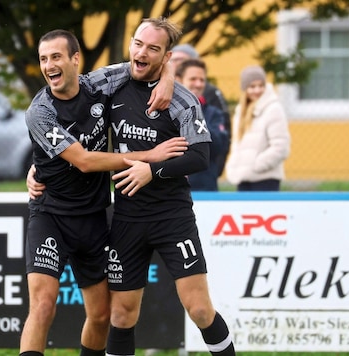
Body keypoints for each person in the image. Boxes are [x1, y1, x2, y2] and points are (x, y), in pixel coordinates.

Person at [20, 29, 187, 356]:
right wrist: (150, 156)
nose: (49, 65)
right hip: (50, 216)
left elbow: (145, 61)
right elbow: (82, 160)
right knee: (42, 306)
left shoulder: (100, 83)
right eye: (43, 59)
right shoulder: (39, 111)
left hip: (93, 218)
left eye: (56, 57)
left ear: (75, 59)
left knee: (100, 316)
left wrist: (168, 76)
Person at [104, 17, 236, 355]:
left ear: (166, 56)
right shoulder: (110, 83)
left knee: (201, 309)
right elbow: (66, 101)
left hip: (171, 216)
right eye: (138, 43)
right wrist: (38, 167)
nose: (142, 52)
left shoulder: (182, 99)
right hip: (128, 218)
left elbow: (200, 156)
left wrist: (153, 170)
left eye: (153, 48)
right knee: (121, 314)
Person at [225, 65, 290, 191]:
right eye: (252, 86)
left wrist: (257, 165)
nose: (257, 90)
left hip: (265, 179)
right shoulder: (241, 112)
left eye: (261, 86)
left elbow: (281, 147)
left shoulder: (273, 109)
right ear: (244, 89)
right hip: (243, 178)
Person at [170, 43, 231, 176]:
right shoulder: (163, 106)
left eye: (201, 80)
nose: (198, 84)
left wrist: (195, 114)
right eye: (193, 79)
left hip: (204, 184)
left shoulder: (213, 111)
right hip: (171, 183)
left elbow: (218, 146)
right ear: (179, 79)